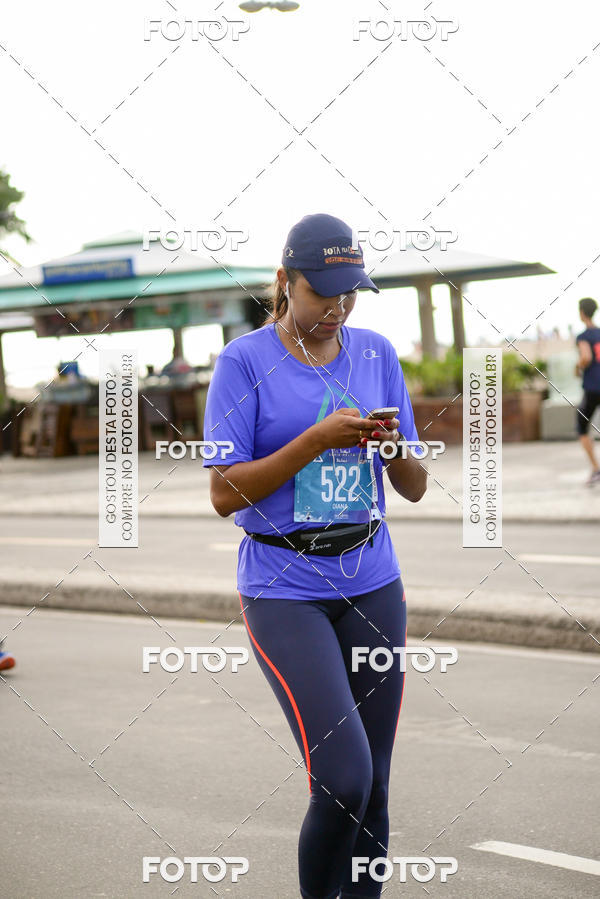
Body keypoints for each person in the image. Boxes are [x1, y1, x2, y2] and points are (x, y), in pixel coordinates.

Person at [202, 212, 427, 899]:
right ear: (284, 282)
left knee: (378, 783)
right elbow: (222, 491)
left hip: (372, 578)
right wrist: (314, 441)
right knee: (343, 778)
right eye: (321, 291)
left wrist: (390, 446)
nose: (336, 306)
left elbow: (414, 486)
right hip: (283, 586)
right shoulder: (244, 362)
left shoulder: (376, 353)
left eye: (349, 291)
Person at [575, 297, 600, 486]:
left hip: (593, 388)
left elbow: (586, 357)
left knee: (581, 426)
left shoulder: (583, 336)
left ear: (582, 312)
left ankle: (596, 469)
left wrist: (577, 367)